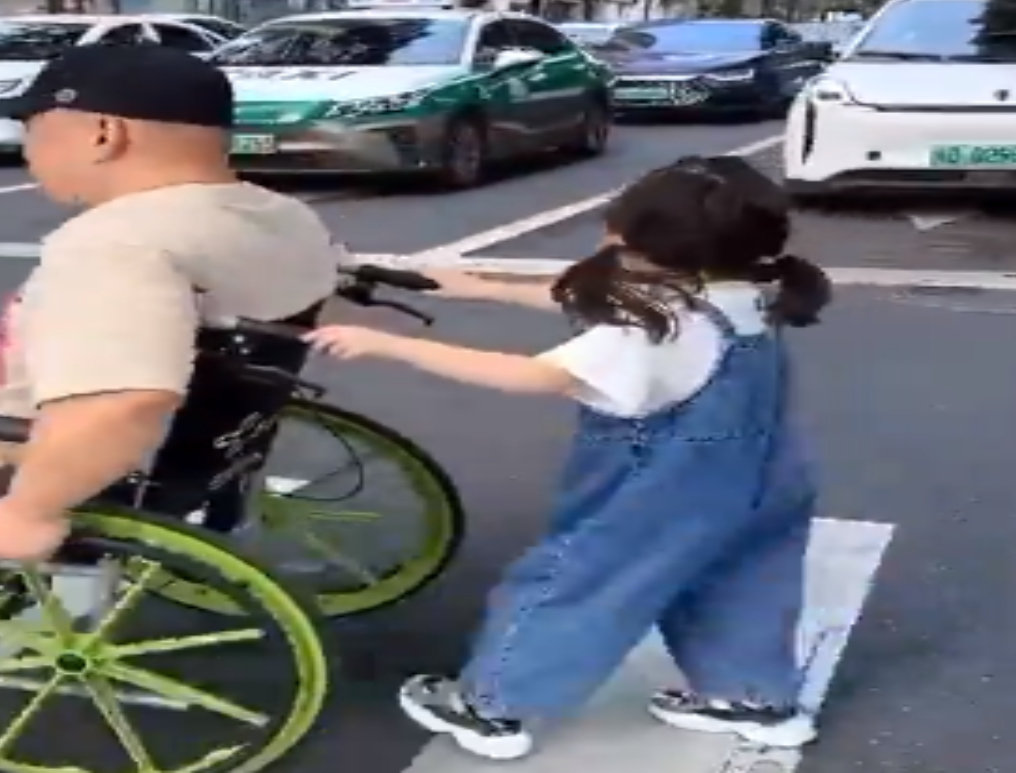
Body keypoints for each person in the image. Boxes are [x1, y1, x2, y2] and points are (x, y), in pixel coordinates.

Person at [306, 156, 832, 760]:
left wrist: (389, 345)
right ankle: (753, 698)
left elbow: (536, 375)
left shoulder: (651, 331)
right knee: (739, 583)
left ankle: (492, 708)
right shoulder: (746, 293)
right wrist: (471, 285)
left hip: (663, 490)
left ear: (645, 243)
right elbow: (606, 298)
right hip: (763, 476)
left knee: (575, 583)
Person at [0, 44, 340, 561]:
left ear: (104, 134)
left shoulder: (116, 244)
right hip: (159, 429)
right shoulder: (280, 215)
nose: (28, 151)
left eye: (33, 129)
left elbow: (126, 400)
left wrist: (27, 512)